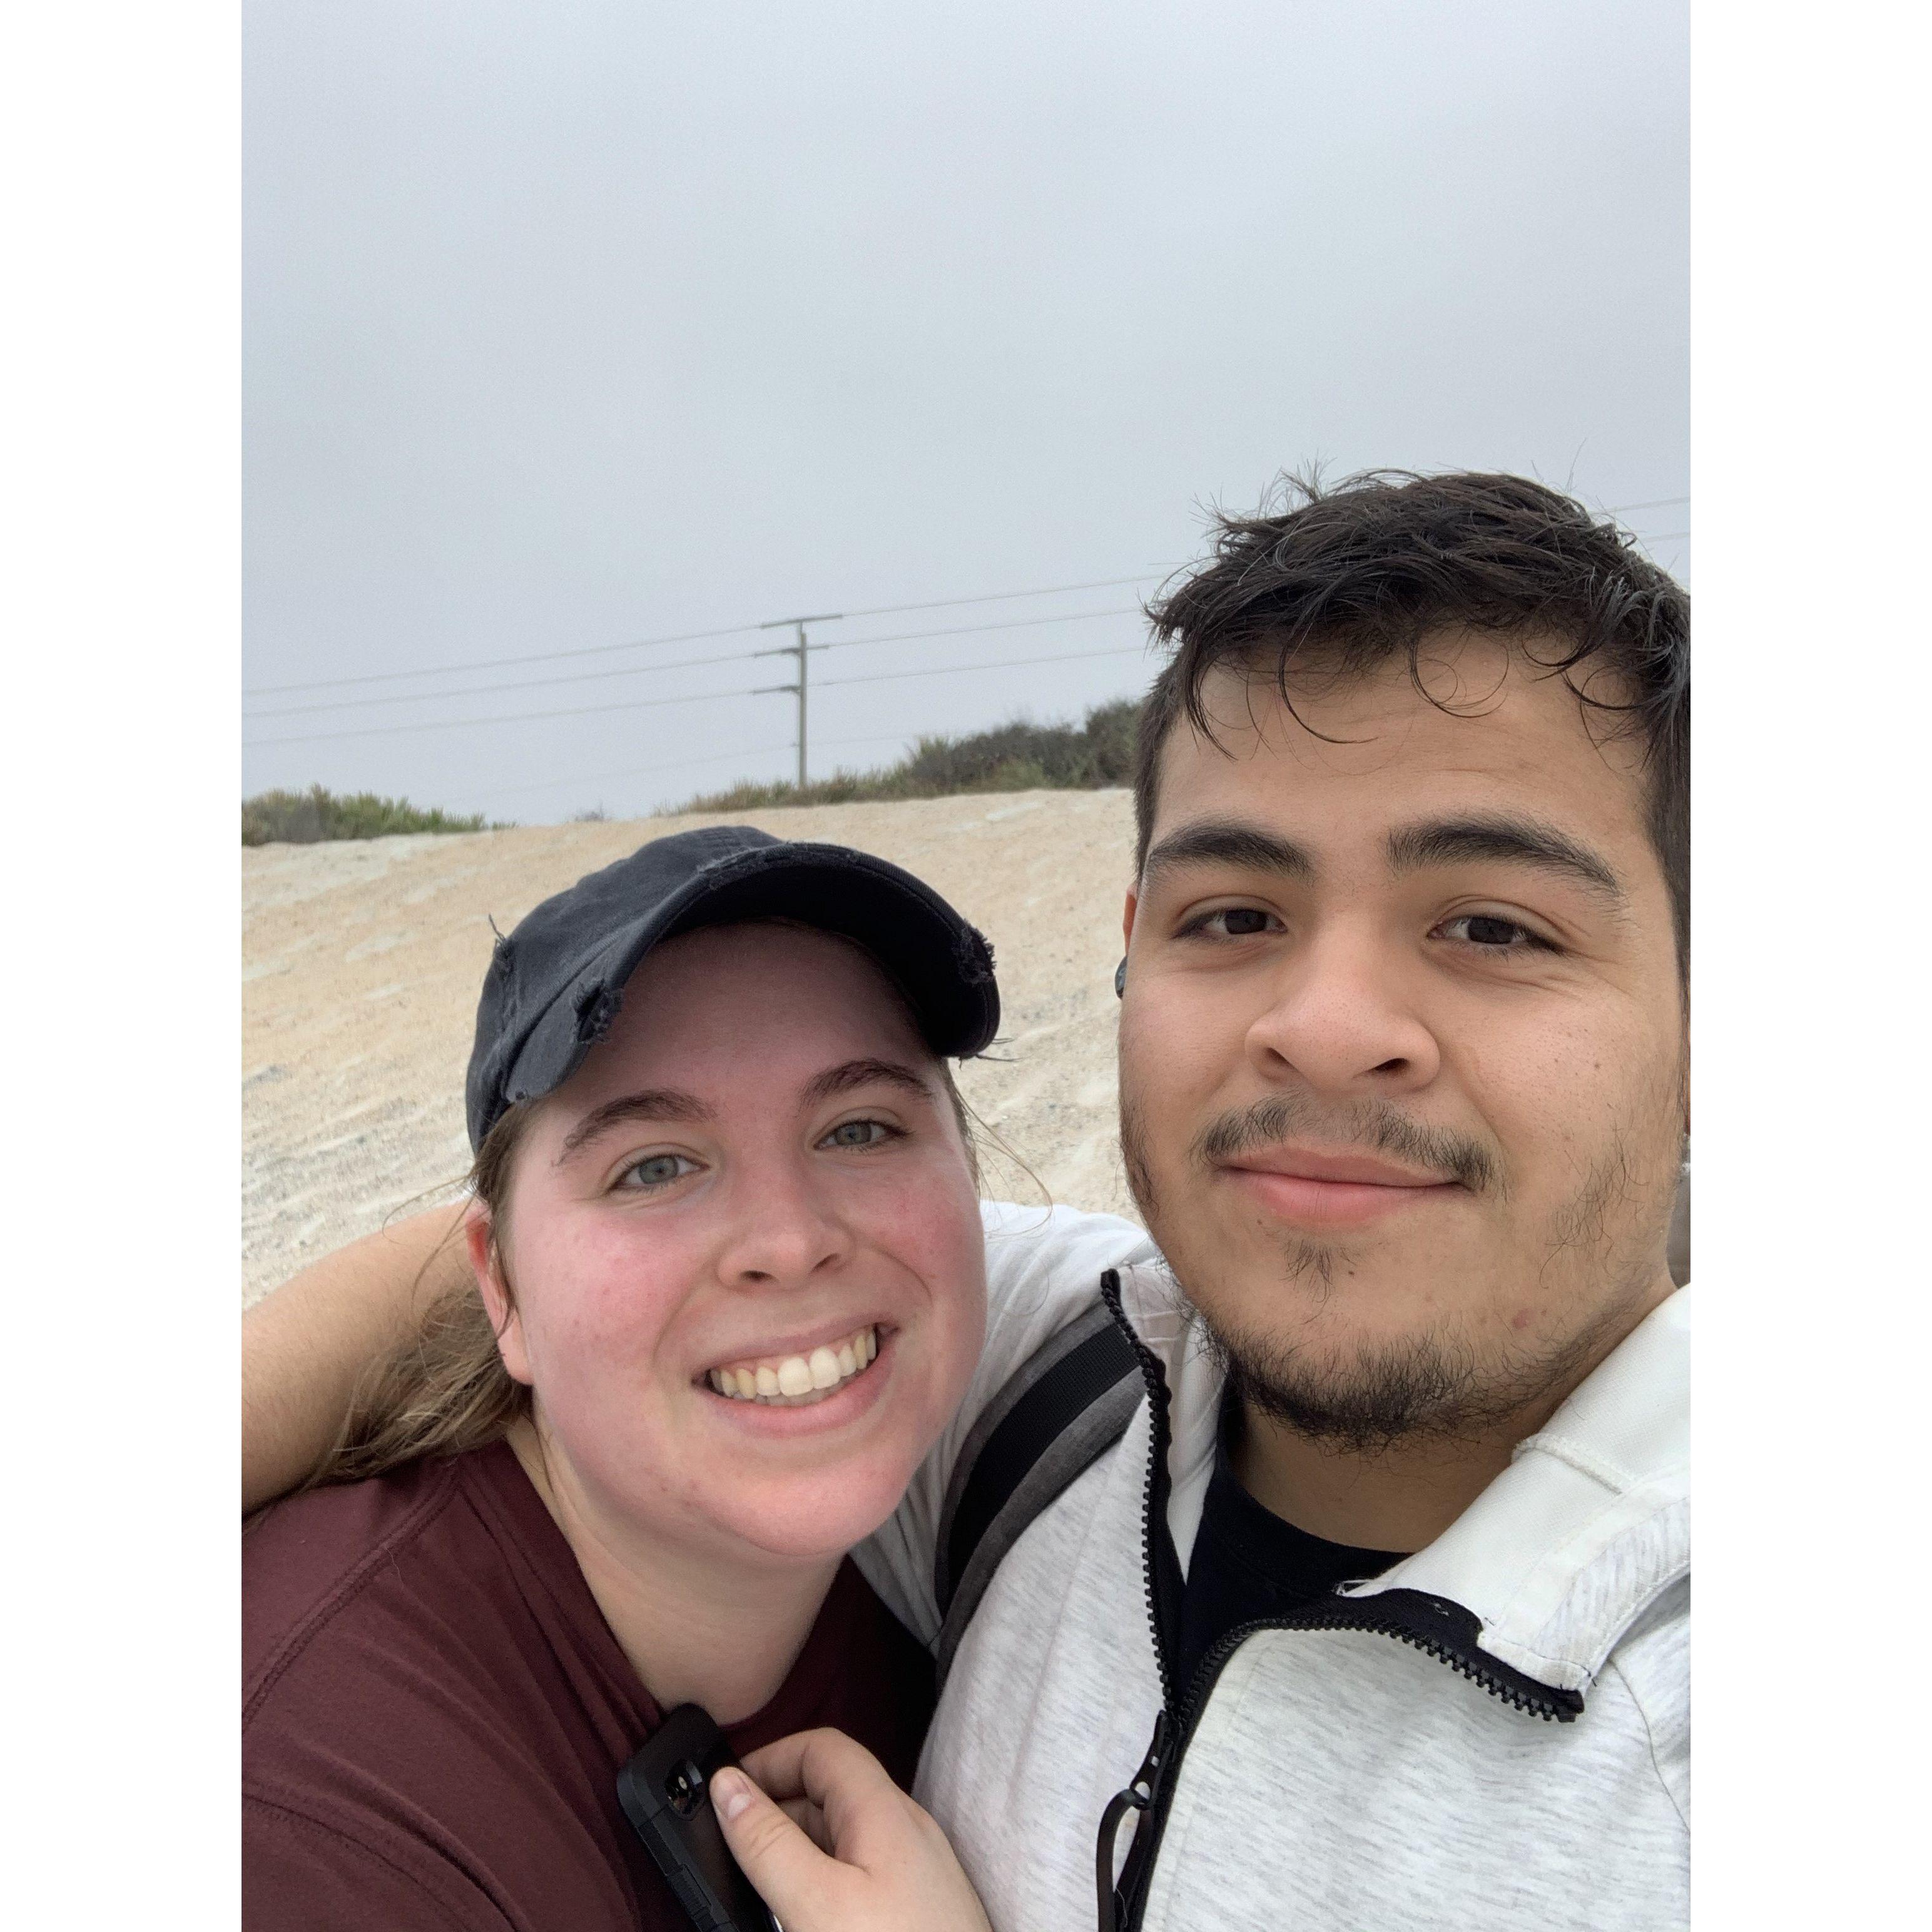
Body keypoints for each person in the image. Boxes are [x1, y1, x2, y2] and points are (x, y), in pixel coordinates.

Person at [245, 470, 1690, 1931]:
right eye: (1235, 916)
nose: (1324, 1021)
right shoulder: (1052, 1379)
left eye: (1493, 925)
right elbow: (568, 1278)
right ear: (1134, 954)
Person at [243, 825, 1053, 1930]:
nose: (789, 1238)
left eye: (860, 1128)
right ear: (503, 1291)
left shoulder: (968, 1562)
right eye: (656, 1165)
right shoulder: (317, 1814)